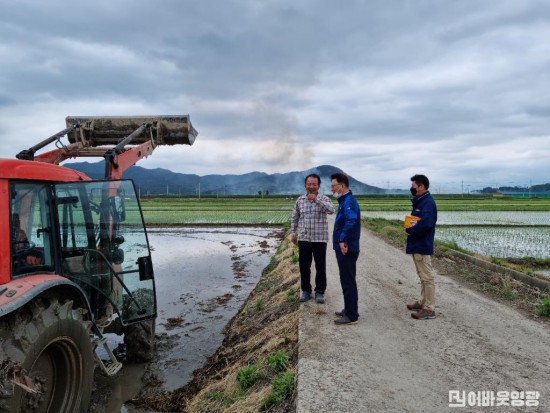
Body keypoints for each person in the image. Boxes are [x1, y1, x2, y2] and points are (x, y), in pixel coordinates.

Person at [290, 173, 335, 304]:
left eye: (314, 184)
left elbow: (332, 210)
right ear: (305, 186)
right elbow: (294, 217)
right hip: (304, 238)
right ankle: (306, 291)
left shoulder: (324, 199)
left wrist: (316, 200)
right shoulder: (300, 200)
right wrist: (293, 233)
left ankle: (320, 292)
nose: (311, 186)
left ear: (318, 186)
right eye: (309, 184)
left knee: (320, 266)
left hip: (319, 239)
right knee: (304, 266)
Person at [405, 174, 438, 320]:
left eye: (413, 186)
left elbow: (426, 224)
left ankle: (429, 308)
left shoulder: (427, 203)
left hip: (422, 244)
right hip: (417, 244)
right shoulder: (420, 201)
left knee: (427, 277)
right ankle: (422, 301)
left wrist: (410, 230)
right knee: (422, 276)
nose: (412, 188)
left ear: (421, 186)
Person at [331, 172, 361, 325]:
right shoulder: (345, 201)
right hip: (345, 247)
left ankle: (351, 315)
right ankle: (348, 309)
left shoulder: (348, 201)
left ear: (342, 186)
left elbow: (351, 220)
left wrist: (342, 239)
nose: (332, 189)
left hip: (347, 248)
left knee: (348, 280)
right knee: (346, 279)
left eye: (333, 186)